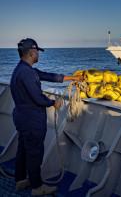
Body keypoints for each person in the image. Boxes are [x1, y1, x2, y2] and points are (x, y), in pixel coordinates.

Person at [10, 38, 82, 196]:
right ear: (31, 52)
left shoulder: (24, 70)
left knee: (24, 149)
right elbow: (37, 98)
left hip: (22, 117)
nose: (38, 55)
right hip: (31, 119)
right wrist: (52, 102)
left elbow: (49, 76)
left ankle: (21, 180)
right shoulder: (27, 73)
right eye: (37, 52)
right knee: (35, 152)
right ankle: (37, 187)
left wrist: (72, 78)